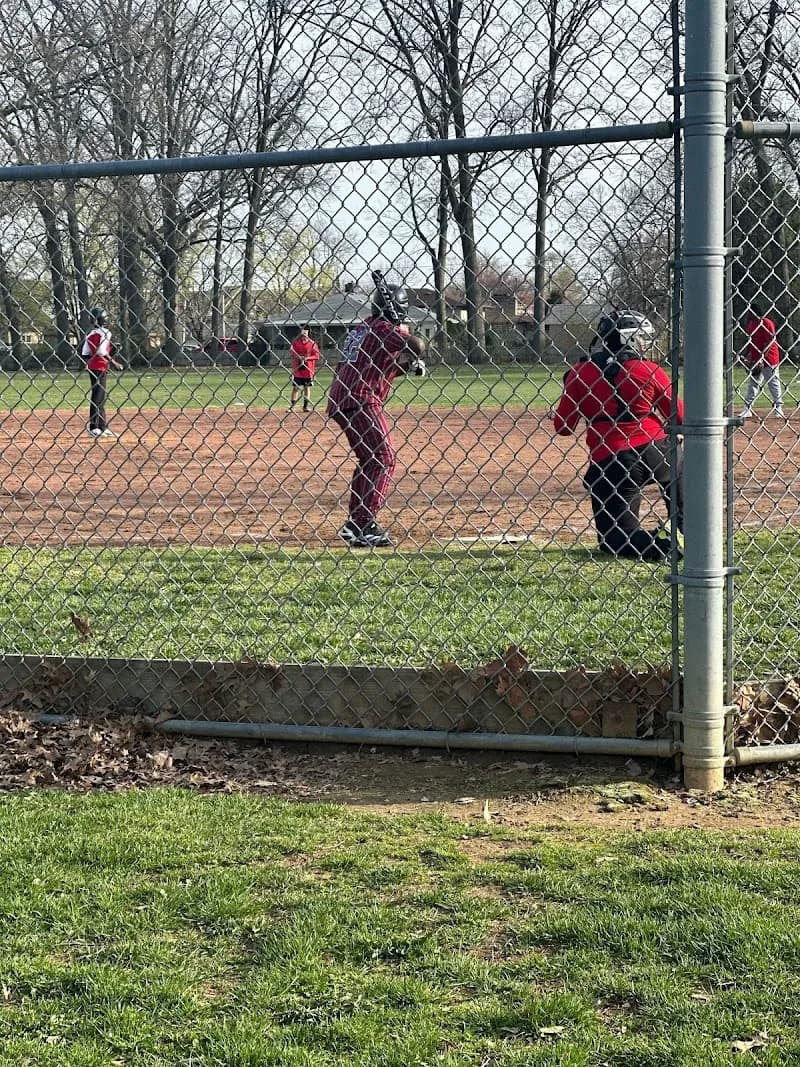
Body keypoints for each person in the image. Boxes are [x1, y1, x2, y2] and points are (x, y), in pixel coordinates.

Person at [552, 309, 685, 561]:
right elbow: (679, 417)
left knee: (614, 539)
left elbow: (563, 428)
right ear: (630, 339)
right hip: (658, 449)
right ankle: (685, 531)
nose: (646, 344)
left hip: (612, 459)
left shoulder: (580, 372)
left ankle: (662, 545)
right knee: (678, 467)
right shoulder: (649, 369)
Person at [327, 270, 427, 548]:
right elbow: (418, 344)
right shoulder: (383, 328)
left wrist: (405, 364)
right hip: (360, 398)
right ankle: (364, 524)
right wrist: (410, 345)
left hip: (343, 397)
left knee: (370, 460)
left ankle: (355, 523)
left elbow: (377, 364)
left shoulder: (363, 328)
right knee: (384, 458)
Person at [82, 306, 123, 438]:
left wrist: (88, 363)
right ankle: (94, 427)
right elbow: (101, 352)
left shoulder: (90, 334)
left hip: (92, 367)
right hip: (100, 366)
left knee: (98, 395)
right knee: (98, 396)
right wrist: (114, 362)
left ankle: (102, 426)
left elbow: (85, 353)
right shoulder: (105, 332)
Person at [741, 302, 784, 418]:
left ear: (754, 312)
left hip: (770, 358)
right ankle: (747, 408)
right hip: (756, 359)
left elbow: (769, 341)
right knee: (753, 383)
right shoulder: (751, 325)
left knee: (773, 382)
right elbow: (750, 343)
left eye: (749, 311)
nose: (747, 314)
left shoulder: (766, 323)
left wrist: (761, 357)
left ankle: (778, 407)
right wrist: (744, 355)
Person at [289, 324, 321, 411]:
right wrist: (298, 357)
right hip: (298, 370)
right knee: (295, 388)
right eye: (302, 332)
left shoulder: (312, 344)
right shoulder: (296, 343)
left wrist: (307, 358)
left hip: (308, 370)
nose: (304, 334)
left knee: (307, 387)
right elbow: (292, 353)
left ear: (308, 333)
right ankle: (292, 406)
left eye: (305, 332)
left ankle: (305, 406)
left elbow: (317, 356)